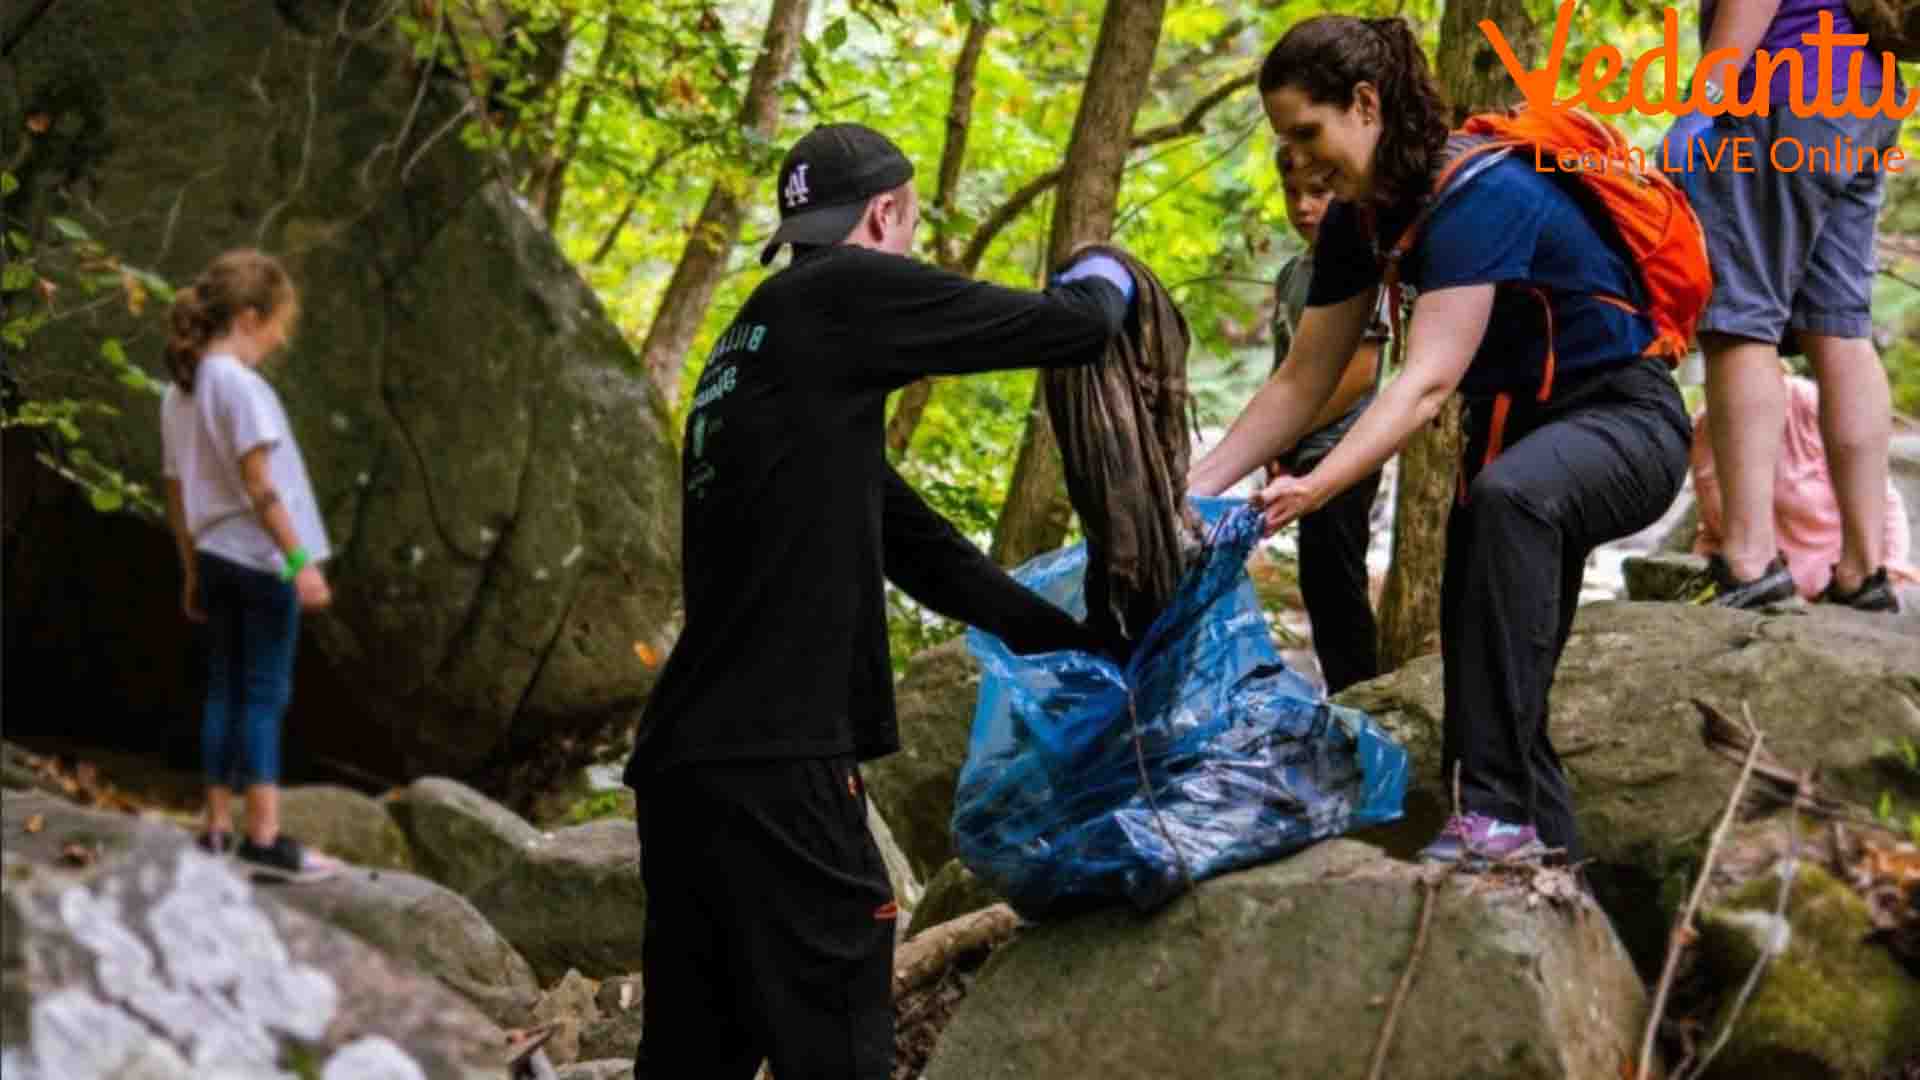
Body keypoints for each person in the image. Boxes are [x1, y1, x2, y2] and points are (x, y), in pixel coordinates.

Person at [622, 122, 1133, 1079]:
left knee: (698, 1049)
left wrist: (1068, 639)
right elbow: (1071, 328)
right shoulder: (844, 292)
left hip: (690, 768)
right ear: (886, 214)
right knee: (838, 1042)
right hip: (780, 763)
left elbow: (916, 546)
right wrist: (1109, 270)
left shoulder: (757, 342)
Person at [1187, 18, 1692, 868]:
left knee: (1511, 501)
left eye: (1308, 133)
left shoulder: (1480, 192)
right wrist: (1189, 487)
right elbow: (1300, 383)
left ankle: (1498, 823)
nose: (1300, 163)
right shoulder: (1360, 221)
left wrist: (1316, 488)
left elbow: (1424, 383)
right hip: (1514, 450)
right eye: (1284, 142)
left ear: (1365, 104)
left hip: (1626, 424)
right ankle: (1543, 862)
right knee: (1486, 673)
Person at [1684, 0, 1905, 612]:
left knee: (1738, 322)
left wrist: (1705, 101)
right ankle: (1864, 570)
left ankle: (1748, 558)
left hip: (1784, 91)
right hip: (1865, 96)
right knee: (1840, 328)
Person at [160, 248, 342, 883]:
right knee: (264, 693)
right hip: (261, 561)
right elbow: (261, 484)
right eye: (276, 323)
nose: (280, 337)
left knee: (222, 689)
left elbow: (178, 493)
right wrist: (300, 563)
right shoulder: (239, 385)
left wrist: (189, 569)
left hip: (212, 557)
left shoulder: (177, 393)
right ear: (247, 315)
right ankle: (263, 836)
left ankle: (214, 827)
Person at [1266, 145, 1393, 694]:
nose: (1303, 206)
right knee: (1319, 585)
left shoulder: (1361, 266)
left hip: (1344, 455)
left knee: (1337, 586)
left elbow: (1359, 372)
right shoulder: (1292, 275)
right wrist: (1273, 445)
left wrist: (1290, 432)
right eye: (1292, 193)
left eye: (1317, 192)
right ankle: (1344, 695)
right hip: (1300, 455)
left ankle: (1361, 698)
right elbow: (1285, 370)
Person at [1691, 365, 1915, 598]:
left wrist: (1890, 565)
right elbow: (1712, 524)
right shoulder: (1705, 425)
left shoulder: (1810, 403)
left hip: (1831, 582)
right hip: (1751, 582)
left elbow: (1883, 499)